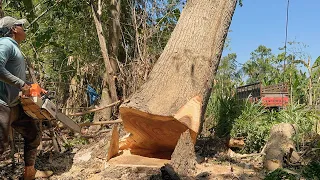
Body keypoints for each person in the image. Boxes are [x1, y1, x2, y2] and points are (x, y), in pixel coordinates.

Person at [0, 16, 53, 179]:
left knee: (32, 133)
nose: (24, 28)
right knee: (1, 145)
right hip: (2, 104)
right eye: (20, 25)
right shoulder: (5, 44)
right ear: (14, 29)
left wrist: (31, 85)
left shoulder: (14, 47)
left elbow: (15, 76)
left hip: (15, 103)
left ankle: (29, 173)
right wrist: (23, 86)